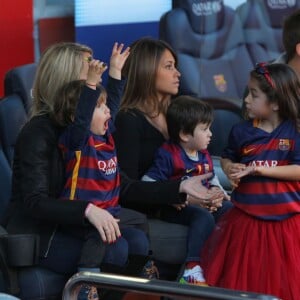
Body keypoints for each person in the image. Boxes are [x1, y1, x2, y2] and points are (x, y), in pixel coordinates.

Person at [4, 41, 215, 299]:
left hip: (74, 223)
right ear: (69, 84)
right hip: (43, 232)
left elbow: (121, 183)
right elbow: (34, 202)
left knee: (136, 241)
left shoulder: (95, 127)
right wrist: (88, 211)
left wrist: (178, 188)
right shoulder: (38, 132)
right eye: (91, 75)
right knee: (117, 250)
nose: (98, 82)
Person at [114, 37, 230, 285]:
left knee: (238, 212)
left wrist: (212, 194)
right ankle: (190, 280)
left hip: (190, 198)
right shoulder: (129, 120)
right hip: (157, 207)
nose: (177, 73)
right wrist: (180, 194)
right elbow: (125, 188)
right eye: (168, 66)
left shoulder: (177, 111)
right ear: (146, 71)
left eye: (175, 65)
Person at [55, 55, 152, 297]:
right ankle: (85, 284)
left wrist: (116, 74)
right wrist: (89, 86)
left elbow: (115, 106)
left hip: (110, 215)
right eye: (99, 106)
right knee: (102, 242)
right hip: (82, 217)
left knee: (139, 239)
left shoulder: (106, 136)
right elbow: (81, 120)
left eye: (104, 105)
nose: (107, 110)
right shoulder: (79, 141)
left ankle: (129, 282)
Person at [202, 62, 300, 300]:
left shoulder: (295, 131)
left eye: (254, 95)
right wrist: (229, 167)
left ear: (275, 102)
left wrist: (259, 170)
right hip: (247, 222)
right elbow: (227, 156)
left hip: (289, 223)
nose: (246, 100)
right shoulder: (241, 131)